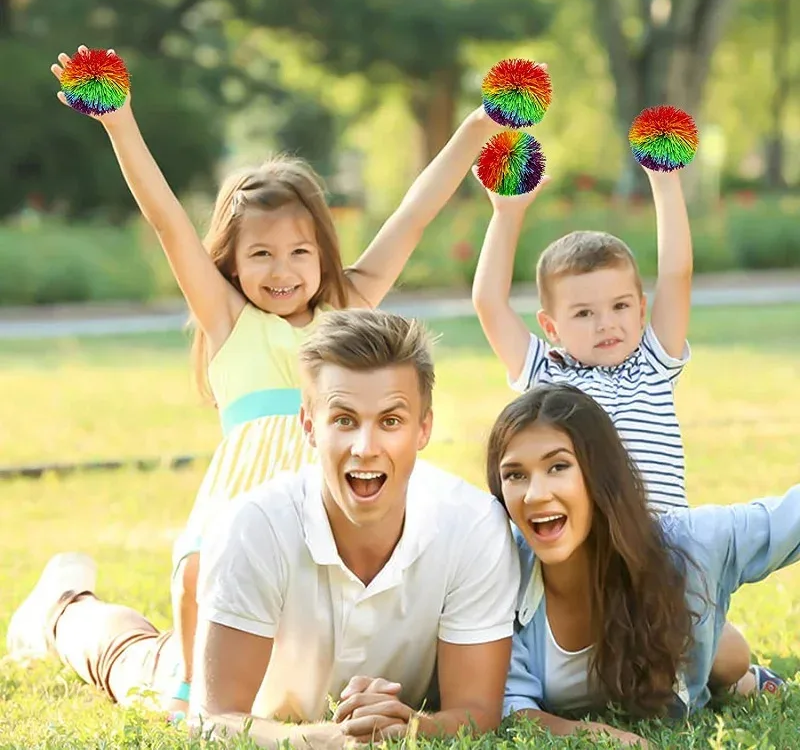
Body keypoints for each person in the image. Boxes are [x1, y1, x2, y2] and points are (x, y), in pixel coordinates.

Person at [49, 46, 501, 714]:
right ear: (231, 262)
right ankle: (74, 613)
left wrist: (480, 126)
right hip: (242, 500)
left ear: (323, 254)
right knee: (195, 590)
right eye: (260, 254)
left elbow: (413, 214)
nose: (282, 270)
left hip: (325, 507)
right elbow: (169, 221)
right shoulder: (230, 320)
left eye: (299, 252)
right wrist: (120, 122)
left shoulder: (349, 309)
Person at [7, 309, 520, 749]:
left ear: (424, 428)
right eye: (343, 419)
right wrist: (319, 739)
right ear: (308, 426)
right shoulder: (253, 527)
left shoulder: (473, 526)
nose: (366, 446)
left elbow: (477, 710)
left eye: (390, 420)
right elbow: (209, 720)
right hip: (252, 690)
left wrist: (413, 727)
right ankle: (63, 606)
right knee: (138, 662)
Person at [470, 165, 765, 694]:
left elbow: (677, 272)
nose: (606, 323)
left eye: (620, 306)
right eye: (583, 313)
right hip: (578, 568)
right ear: (551, 326)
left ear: (641, 308)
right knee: (609, 670)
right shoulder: (547, 376)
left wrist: (665, 183)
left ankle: (742, 680)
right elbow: (489, 303)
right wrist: (506, 213)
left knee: (728, 659)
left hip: (658, 562)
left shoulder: (652, 362)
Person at [486, 383, 795, 746]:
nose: (536, 494)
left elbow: (789, 520)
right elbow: (510, 709)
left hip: (687, 632)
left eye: (558, 466)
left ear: (599, 474)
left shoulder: (690, 542)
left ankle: (740, 674)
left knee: (730, 660)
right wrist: (606, 736)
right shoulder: (496, 570)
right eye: (515, 475)